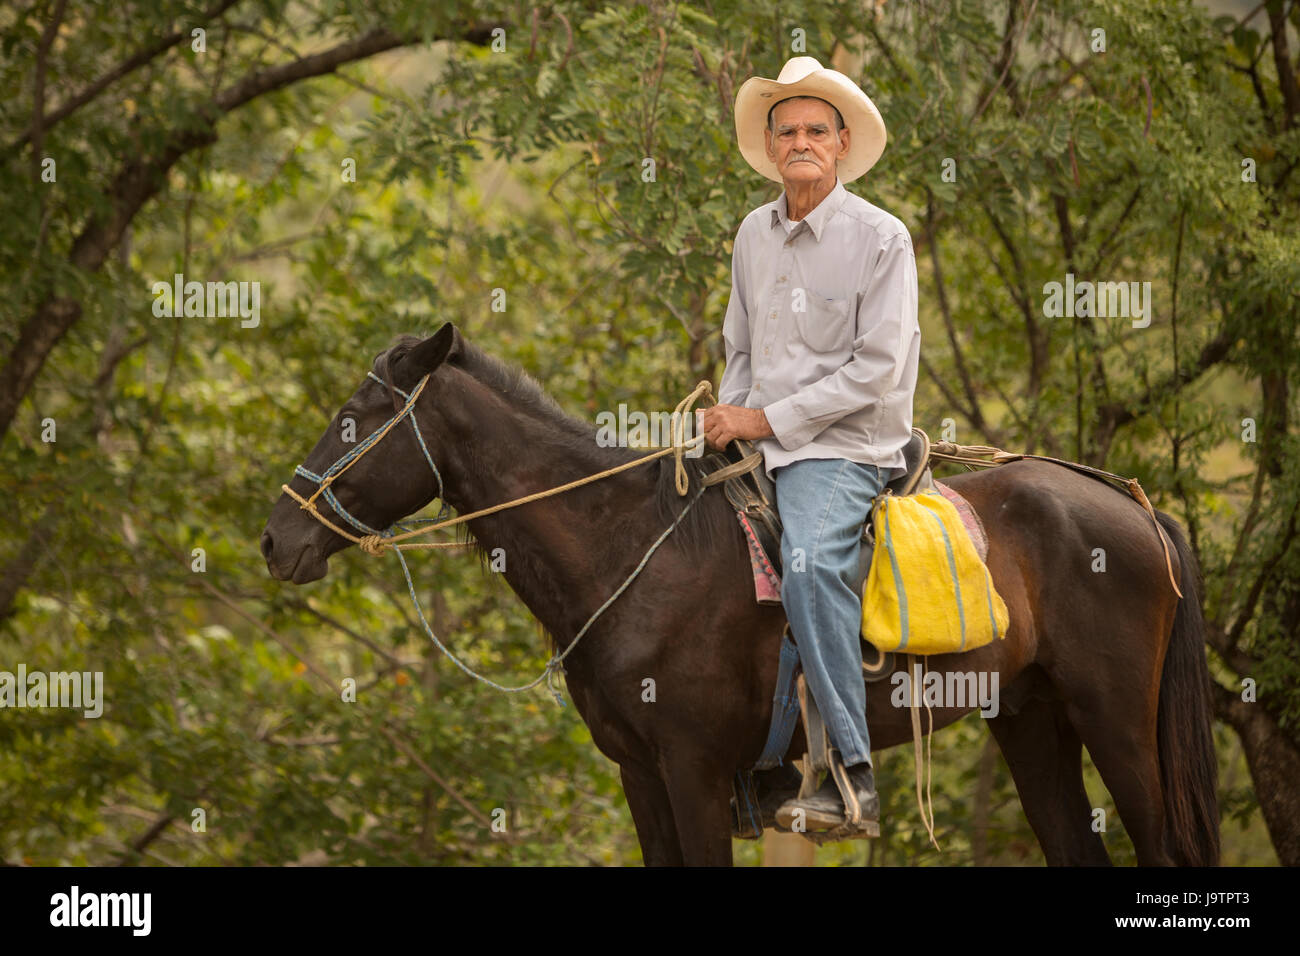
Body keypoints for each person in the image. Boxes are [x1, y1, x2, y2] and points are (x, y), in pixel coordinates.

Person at [699, 55, 920, 835]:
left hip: (847, 449)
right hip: (760, 446)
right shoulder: (752, 236)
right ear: (770, 143)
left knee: (807, 563)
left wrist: (764, 422)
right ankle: (759, 766)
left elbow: (877, 369)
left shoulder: (881, 238)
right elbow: (741, 351)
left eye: (816, 130)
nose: (801, 140)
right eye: (787, 129)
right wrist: (728, 416)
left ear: (841, 143)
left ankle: (852, 777)